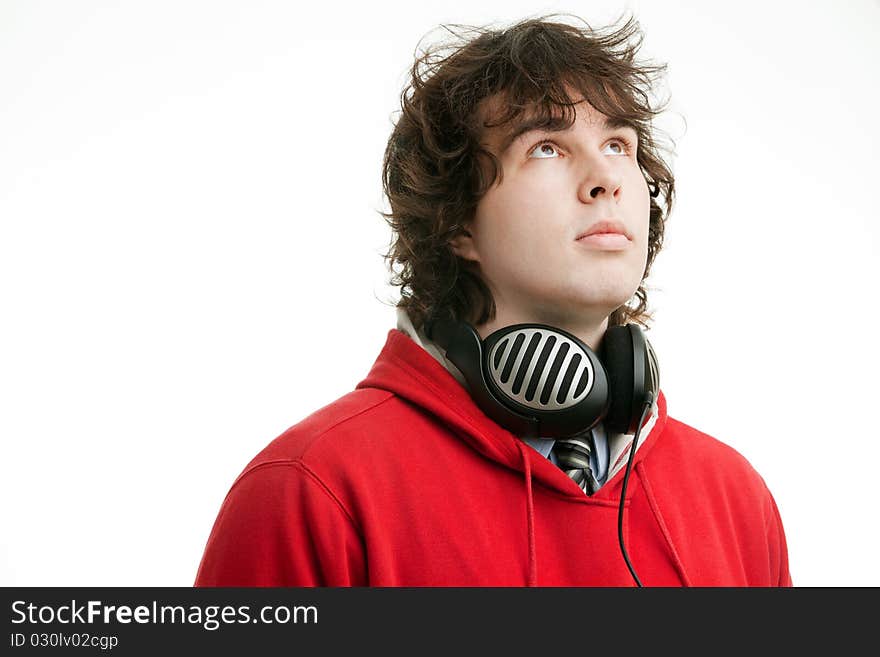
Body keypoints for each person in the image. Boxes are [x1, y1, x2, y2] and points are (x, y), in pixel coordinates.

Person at [194, 13, 791, 587]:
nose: (605, 178)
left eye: (619, 145)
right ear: (457, 222)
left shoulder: (736, 499)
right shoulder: (313, 489)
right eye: (547, 148)